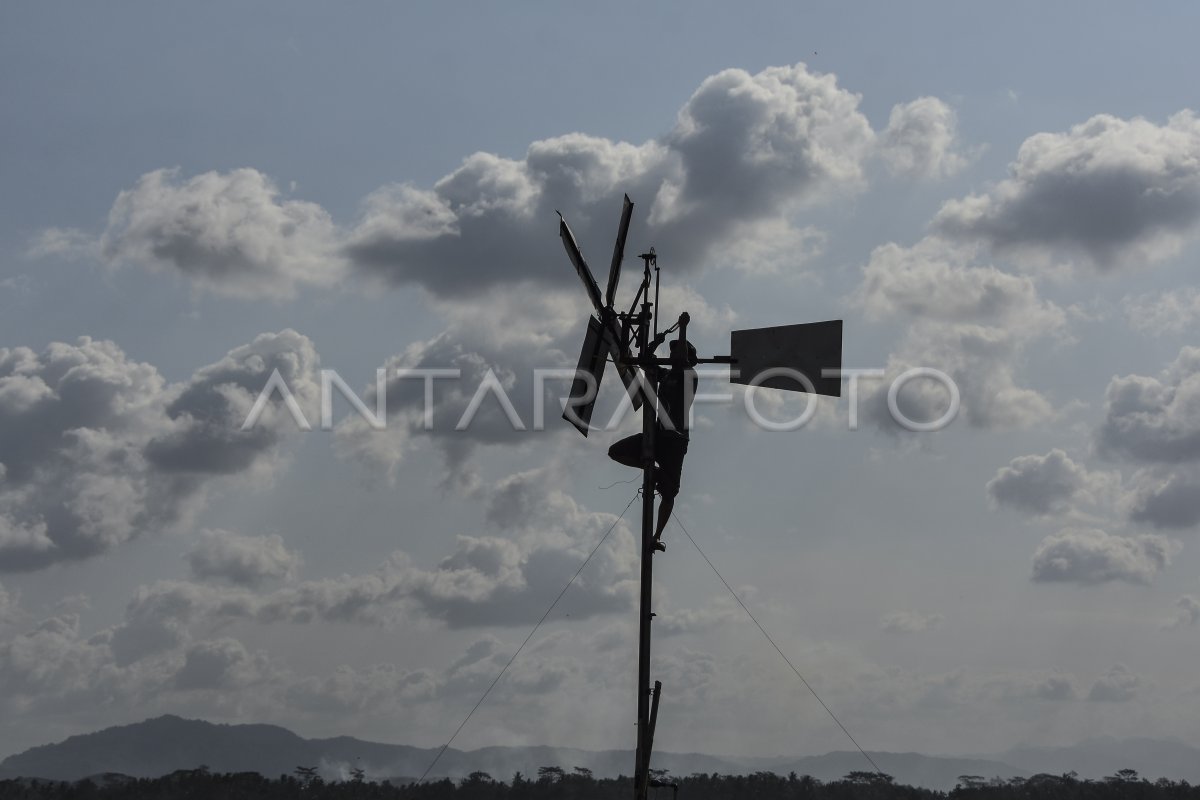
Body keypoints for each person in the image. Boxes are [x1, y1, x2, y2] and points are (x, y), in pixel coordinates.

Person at [607, 337, 698, 550]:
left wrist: (683, 327)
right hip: (656, 434)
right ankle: (656, 473)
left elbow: (682, 358)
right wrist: (653, 345)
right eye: (672, 352)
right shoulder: (665, 376)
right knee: (616, 451)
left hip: (675, 440)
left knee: (670, 491)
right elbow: (648, 363)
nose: (674, 355)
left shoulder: (689, 376)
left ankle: (656, 535)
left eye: (678, 352)